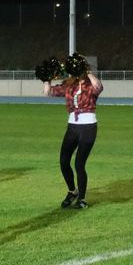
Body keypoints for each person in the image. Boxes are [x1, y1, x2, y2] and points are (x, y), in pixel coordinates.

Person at [45, 65, 103, 209]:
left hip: (88, 126)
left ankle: (82, 199)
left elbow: (99, 87)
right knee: (63, 161)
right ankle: (72, 191)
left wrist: (88, 72)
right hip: (73, 126)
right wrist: (45, 79)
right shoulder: (70, 84)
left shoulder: (90, 83)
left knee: (79, 164)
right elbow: (48, 92)